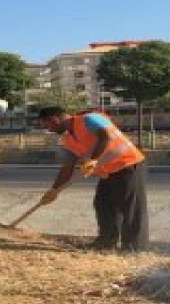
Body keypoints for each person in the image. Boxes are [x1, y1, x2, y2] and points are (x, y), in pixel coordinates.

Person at [35, 106, 148, 252]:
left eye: (47, 125)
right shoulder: (67, 138)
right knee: (103, 205)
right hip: (108, 172)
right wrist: (54, 189)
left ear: (54, 119)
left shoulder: (90, 118)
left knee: (130, 208)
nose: (48, 129)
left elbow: (105, 136)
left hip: (129, 164)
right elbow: (67, 167)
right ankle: (106, 243)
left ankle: (134, 248)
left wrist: (94, 159)